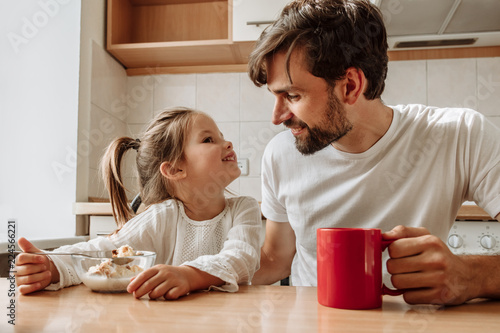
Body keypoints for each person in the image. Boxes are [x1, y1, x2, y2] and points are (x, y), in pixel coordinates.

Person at [247, 0, 500, 305]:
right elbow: (276, 258)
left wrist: (472, 275)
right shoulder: (280, 154)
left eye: (292, 95)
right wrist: (199, 273)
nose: (277, 117)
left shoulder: (460, 134)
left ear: (351, 86)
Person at [15, 107, 262, 299]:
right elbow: (102, 250)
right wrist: (51, 265)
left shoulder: (244, 208)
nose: (227, 143)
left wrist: (188, 276)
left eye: (221, 137)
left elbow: (241, 258)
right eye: (209, 140)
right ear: (175, 169)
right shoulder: (162, 216)